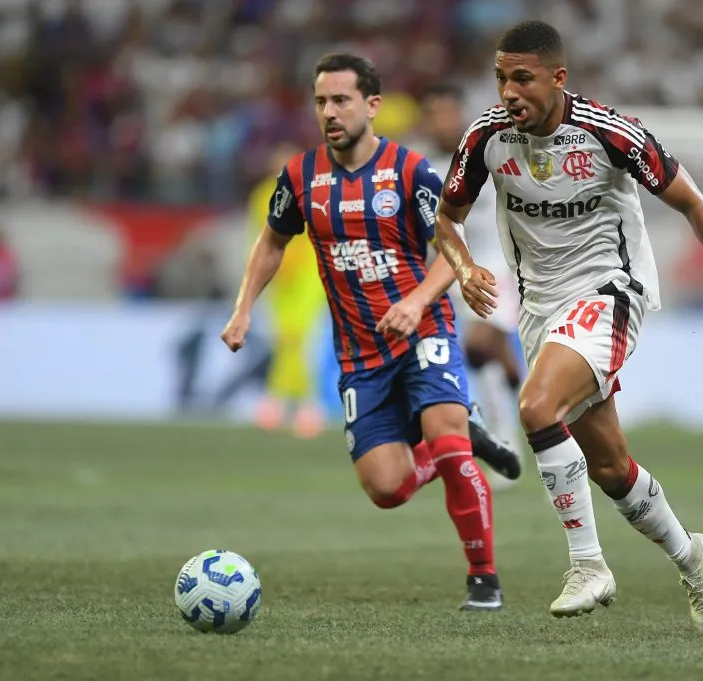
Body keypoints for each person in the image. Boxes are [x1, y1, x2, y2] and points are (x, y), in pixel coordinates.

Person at [432, 21, 703, 633]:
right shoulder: (485, 137)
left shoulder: (610, 133)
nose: (509, 91)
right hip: (539, 309)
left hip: (610, 291)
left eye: (522, 78)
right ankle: (691, 557)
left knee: (536, 406)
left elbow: (692, 202)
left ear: (557, 77)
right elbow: (447, 218)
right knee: (609, 468)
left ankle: (588, 565)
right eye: (500, 78)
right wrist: (463, 269)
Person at [222, 53, 523, 611]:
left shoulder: (410, 172)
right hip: (361, 354)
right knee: (387, 488)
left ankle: (484, 579)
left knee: (450, 446)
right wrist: (243, 310)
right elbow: (271, 241)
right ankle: (466, 437)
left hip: (425, 330)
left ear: (372, 105)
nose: (330, 112)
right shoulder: (301, 177)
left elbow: (452, 249)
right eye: (321, 102)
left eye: (341, 100)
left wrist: (416, 301)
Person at [417, 84, 524, 491]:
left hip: (498, 265)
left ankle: (505, 443)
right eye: (434, 115)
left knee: (479, 348)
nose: (441, 122)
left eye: (447, 113)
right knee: (489, 361)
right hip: (451, 270)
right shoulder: (423, 167)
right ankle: (523, 413)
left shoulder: (487, 151)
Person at [246, 142, 330, 438]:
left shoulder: (315, 192)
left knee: (304, 337)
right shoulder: (261, 196)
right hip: (279, 275)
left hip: (309, 274)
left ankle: (299, 404)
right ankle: (289, 402)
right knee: (283, 338)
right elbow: (260, 235)